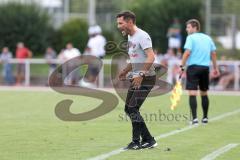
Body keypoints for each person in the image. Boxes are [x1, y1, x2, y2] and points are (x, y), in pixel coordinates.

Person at [116, 11, 157, 150]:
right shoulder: (129, 36)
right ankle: (148, 139)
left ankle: (135, 142)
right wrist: (125, 71)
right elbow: (134, 58)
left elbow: (151, 57)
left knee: (132, 108)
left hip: (146, 78)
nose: (118, 26)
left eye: (120, 23)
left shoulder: (143, 36)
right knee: (129, 108)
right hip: (137, 76)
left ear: (130, 22)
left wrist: (140, 73)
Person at [179, 19, 220, 125]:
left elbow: (187, 52)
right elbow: (214, 54)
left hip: (193, 68)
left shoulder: (191, 38)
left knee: (192, 93)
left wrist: (182, 65)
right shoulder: (208, 38)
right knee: (204, 92)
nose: (186, 29)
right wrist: (216, 68)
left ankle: (195, 119)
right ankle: (205, 118)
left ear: (194, 27)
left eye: (188, 27)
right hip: (205, 68)